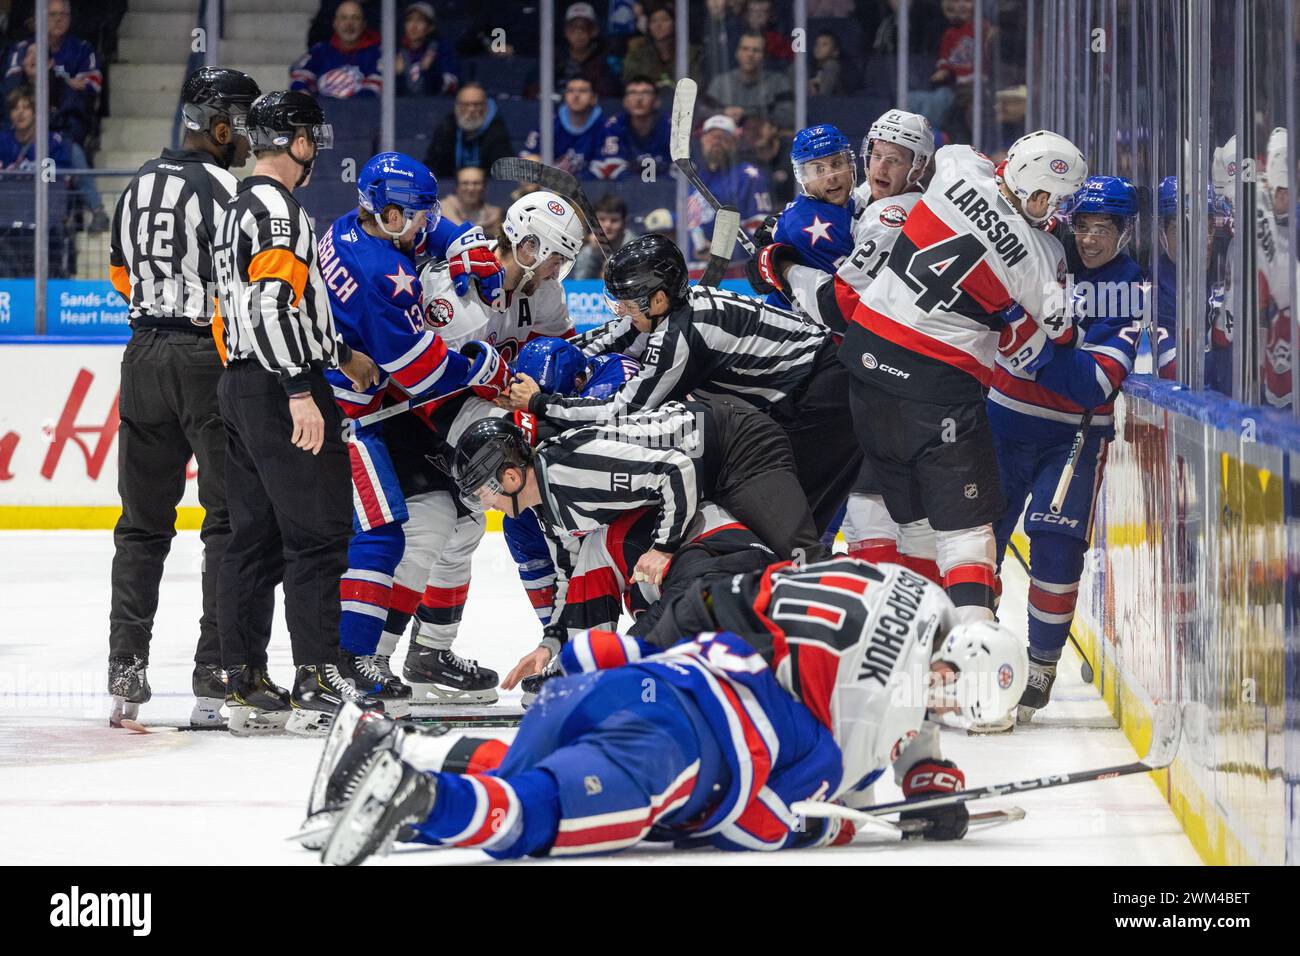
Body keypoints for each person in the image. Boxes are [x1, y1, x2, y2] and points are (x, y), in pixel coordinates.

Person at [305, 557, 1029, 864]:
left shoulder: (915, 590)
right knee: (534, 814)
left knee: (538, 761)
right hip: (674, 748)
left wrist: (928, 768)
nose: (942, 709)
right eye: (952, 697)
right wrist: (845, 823)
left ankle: (381, 755)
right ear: (947, 666)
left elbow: (904, 673)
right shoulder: (847, 742)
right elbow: (760, 824)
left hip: (660, 667)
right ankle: (421, 797)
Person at [838, 129, 1085, 625]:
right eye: (1049, 198)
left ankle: (905, 638)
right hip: (937, 388)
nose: (1053, 209)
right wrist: (1016, 311)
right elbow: (1063, 335)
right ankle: (972, 646)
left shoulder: (956, 167)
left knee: (911, 522)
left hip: (865, 365)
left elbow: (952, 156)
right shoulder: (1040, 258)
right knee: (967, 532)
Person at [367, 193, 586, 704]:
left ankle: (429, 653)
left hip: (476, 422)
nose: (559, 269)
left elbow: (564, 357)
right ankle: (370, 659)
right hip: (416, 419)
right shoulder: (458, 280)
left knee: (463, 534)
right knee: (426, 536)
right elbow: (429, 376)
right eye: (555, 255)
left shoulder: (545, 293)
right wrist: (502, 387)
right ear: (527, 245)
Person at [211, 90, 383, 735]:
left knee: (252, 538)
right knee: (319, 533)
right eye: (311, 135)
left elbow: (269, 308)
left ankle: (246, 681)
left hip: (240, 383)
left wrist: (338, 353)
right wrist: (300, 387)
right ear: (296, 141)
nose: (316, 148)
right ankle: (317, 677)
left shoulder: (239, 204)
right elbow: (270, 306)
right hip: (278, 385)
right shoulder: (278, 210)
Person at [318, 151, 513, 710]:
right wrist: (482, 366)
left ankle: (390, 655)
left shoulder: (352, 226)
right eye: (418, 215)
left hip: (360, 411)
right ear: (389, 213)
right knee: (384, 534)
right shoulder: (380, 275)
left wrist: (459, 239)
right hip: (348, 418)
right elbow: (422, 374)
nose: (426, 224)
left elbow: (420, 231)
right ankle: (351, 663)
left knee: (447, 522)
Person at [103, 67, 262, 730]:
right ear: (221, 126)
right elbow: (247, 284)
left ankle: (125, 670)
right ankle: (213, 674)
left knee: (141, 524)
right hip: (206, 359)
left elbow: (119, 273)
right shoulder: (228, 189)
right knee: (226, 523)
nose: (252, 141)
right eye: (246, 126)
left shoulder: (136, 183)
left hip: (141, 356)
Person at [510, 233, 857, 535]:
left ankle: (801, 587)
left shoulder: (682, 335)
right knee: (780, 509)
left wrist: (541, 403)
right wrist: (533, 364)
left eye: (629, 304)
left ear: (658, 299)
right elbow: (611, 338)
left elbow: (623, 410)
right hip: (818, 386)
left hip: (828, 397)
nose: (623, 312)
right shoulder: (672, 308)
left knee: (785, 516)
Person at [987, 176, 1145, 725]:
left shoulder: (1131, 289)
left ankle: (1040, 668)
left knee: (1056, 548)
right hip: (1002, 424)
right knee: (978, 540)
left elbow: (1093, 385)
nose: (1090, 239)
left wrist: (1028, 342)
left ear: (1125, 231)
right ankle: (972, 655)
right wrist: (1053, 345)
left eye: (1104, 228)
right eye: (1083, 225)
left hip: (1074, 436)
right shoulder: (1043, 244)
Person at [753, 110, 937, 580]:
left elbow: (839, 307)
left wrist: (783, 267)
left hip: (873, 371)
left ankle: (838, 594)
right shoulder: (859, 206)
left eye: (894, 159)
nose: (878, 168)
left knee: (854, 499)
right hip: (862, 371)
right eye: (875, 154)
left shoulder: (890, 212)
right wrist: (776, 242)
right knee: (859, 500)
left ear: (918, 167)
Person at [453, 403, 822, 581]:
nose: (485, 504)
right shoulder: (549, 511)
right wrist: (554, 645)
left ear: (512, 477)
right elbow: (572, 579)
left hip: (739, 446)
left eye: (484, 490)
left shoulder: (574, 469)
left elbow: (676, 470)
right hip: (704, 472)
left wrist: (662, 547)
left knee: (797, 557)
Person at [688, 113, 773, 254]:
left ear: (735, 142)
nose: (716, 141)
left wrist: (722, 253)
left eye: (723, 137)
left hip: (733, 270)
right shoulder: (696, 176)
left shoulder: (749, 176)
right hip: (692, 269)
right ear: (702, 140)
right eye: (712, 137)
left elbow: (760, 230)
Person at [290, 0, 382, 99]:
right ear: (335, 23)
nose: (349, 24)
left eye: (355, 18)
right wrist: (303, 92)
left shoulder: (376, 54)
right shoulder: (320, 51)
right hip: (322, 112)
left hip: (362, 113)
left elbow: (375, 86)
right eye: (343, 18)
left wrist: (350, 107)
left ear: (364, 24)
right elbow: (300, 76)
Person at [520, 74, 604, 179]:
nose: (576, 95)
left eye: (583, 91)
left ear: (593, 98)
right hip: (550, 186)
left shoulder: (604, 126)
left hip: (589, 190)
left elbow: (604, 166)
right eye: (570, 91)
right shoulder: (549, 123)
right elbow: (527, 157)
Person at [589, 75, 673, 181]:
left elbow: (680, 170)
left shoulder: (671, 126)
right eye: (632, 93)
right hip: (626, 194)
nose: (639, 99)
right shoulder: (614, 126)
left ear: (656, 102)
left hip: (666, 193)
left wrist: (656, 187)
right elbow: (611, 166)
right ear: (625, 102)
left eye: (646, 93)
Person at [423, 82, 514, 180]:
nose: (471, 109)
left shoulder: (497, 132)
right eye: (466, 105)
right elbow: (432, 168)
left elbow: (504, 173)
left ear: (486, 107)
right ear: (457, 106)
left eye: (477, 104)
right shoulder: (446, 129)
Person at [705, 30, 793, 130]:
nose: (750, 54)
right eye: (745, 49)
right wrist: (723, 113)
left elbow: (789, 118)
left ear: (764, 56)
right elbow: (703, 114)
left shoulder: (778, 82)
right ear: (737, 53)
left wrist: (746, 114)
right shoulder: (720, 82)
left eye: (756, 50)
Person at [621, 2, 702, 90]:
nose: (659, 25)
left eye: (664, 20)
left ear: (674, 24)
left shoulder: (692, 53)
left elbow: (697, 83)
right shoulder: (637, 54)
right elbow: (630, 82)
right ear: (649, 27)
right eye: (654, 21)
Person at [394, 2, 460, 97]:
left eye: (420, 21)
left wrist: (430, 71)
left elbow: (451, 87)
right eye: (409, 20)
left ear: (430, 27)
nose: (413, 26)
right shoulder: (395, 52)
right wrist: (397, 75)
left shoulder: (443, 51)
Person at [571, 192, 637, 279]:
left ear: (624, 223)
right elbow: (581, 286)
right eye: (602, 219)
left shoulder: (636, 248)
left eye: (614, 220)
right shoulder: (588, 251)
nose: (608, 225)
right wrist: (594, 254)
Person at [438, 166, 503, 237]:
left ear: (484, 186)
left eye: (476, 183)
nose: (471, 188)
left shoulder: (493, 213)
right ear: (457, 187)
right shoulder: (445, 206)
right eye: (465, 183)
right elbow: (461, 231)